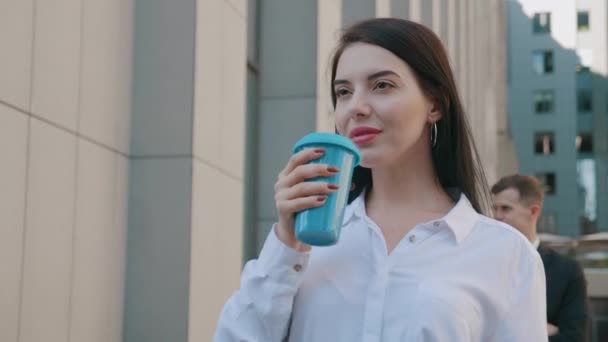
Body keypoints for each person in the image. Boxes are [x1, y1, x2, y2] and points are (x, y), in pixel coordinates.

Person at [215, 18, 547, 341]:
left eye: (382, 85)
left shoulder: (505, 253)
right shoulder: (306, 245)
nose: (355, 107)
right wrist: (287, 245)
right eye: (343, 92)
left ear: (435, 104)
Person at [492, 174, 589, 342]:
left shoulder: (567, 271)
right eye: (495, 208)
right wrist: (539, 330)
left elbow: (575, 337)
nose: (497, 216)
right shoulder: (484, 264)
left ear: (533, 211)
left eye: (506, 208)